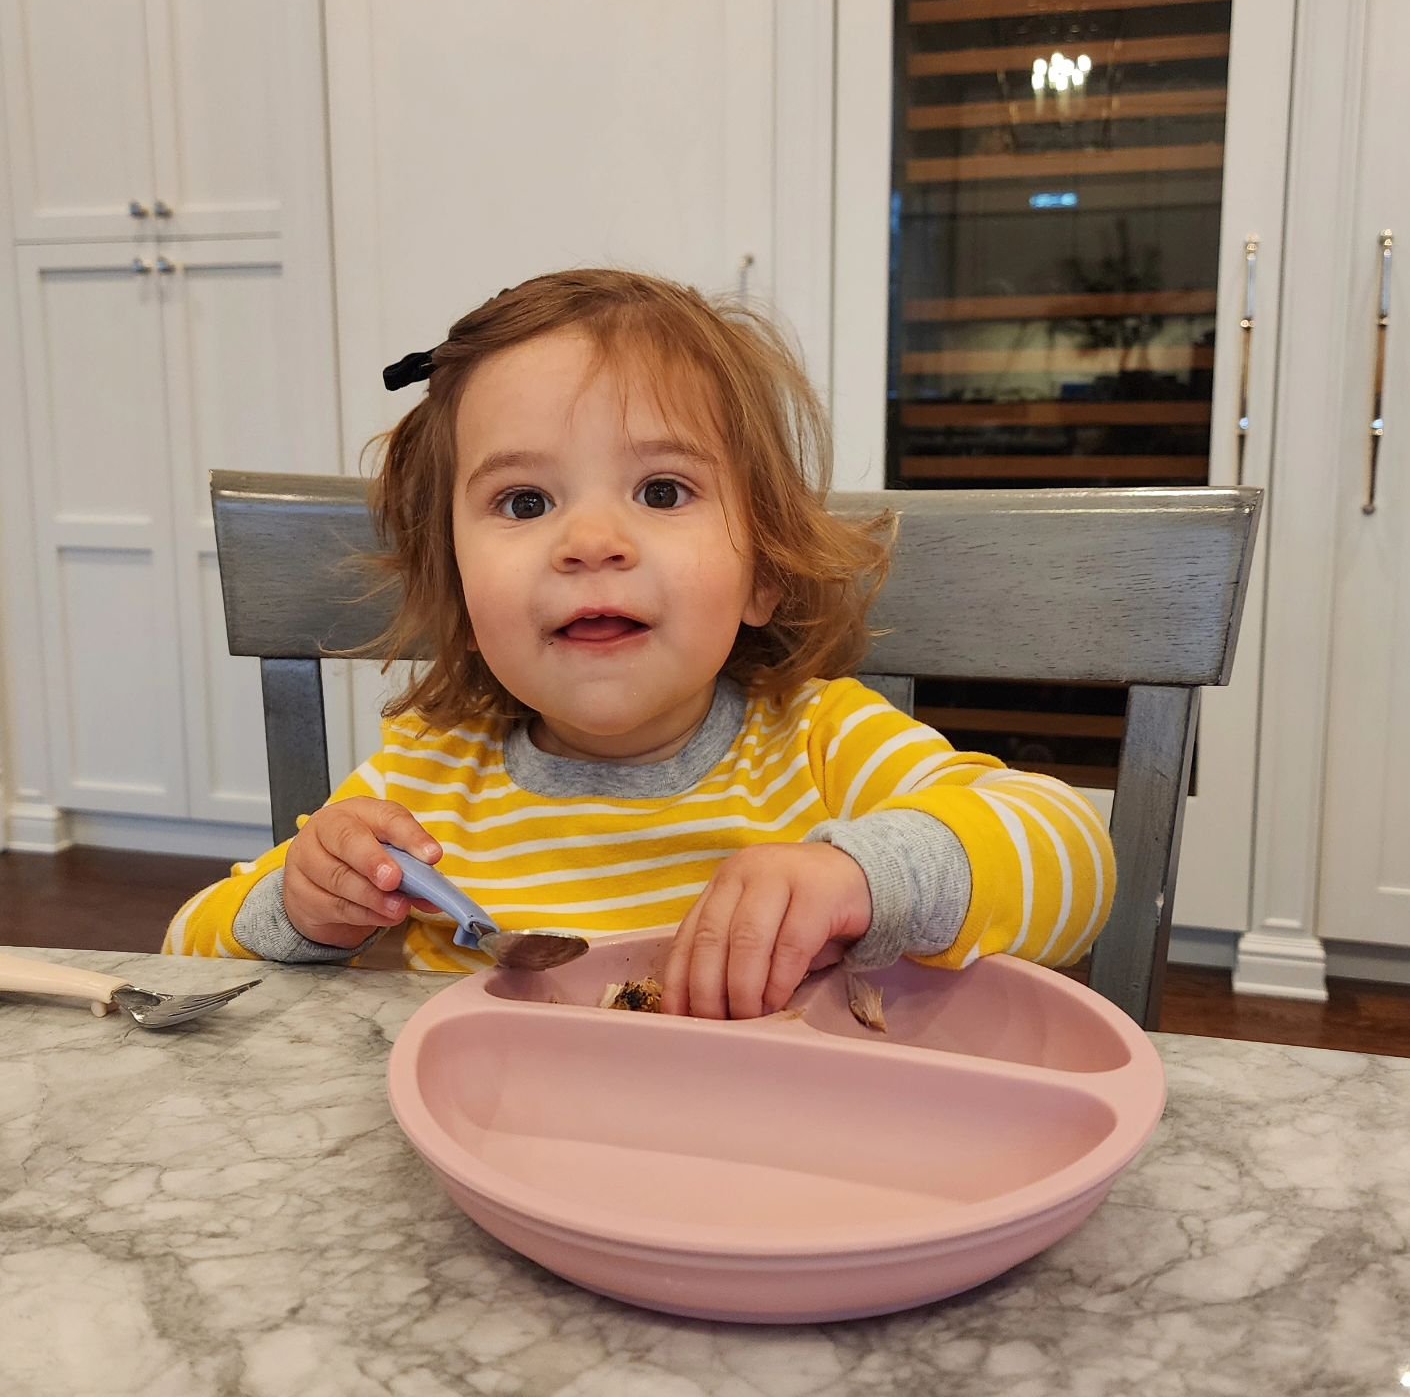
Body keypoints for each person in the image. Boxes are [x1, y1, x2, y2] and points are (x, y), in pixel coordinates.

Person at [165, 268, 1115, 1019]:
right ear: (456, 585)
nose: (590, 542)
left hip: (759, 1174)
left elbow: (1076, 857)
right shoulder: (422, 782)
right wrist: (302, 905)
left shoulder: (818, 744)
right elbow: (178, 957)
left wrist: (864, 875)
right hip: (497, 1172)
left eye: (662, 492)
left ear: (765, 571)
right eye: (525, 503)